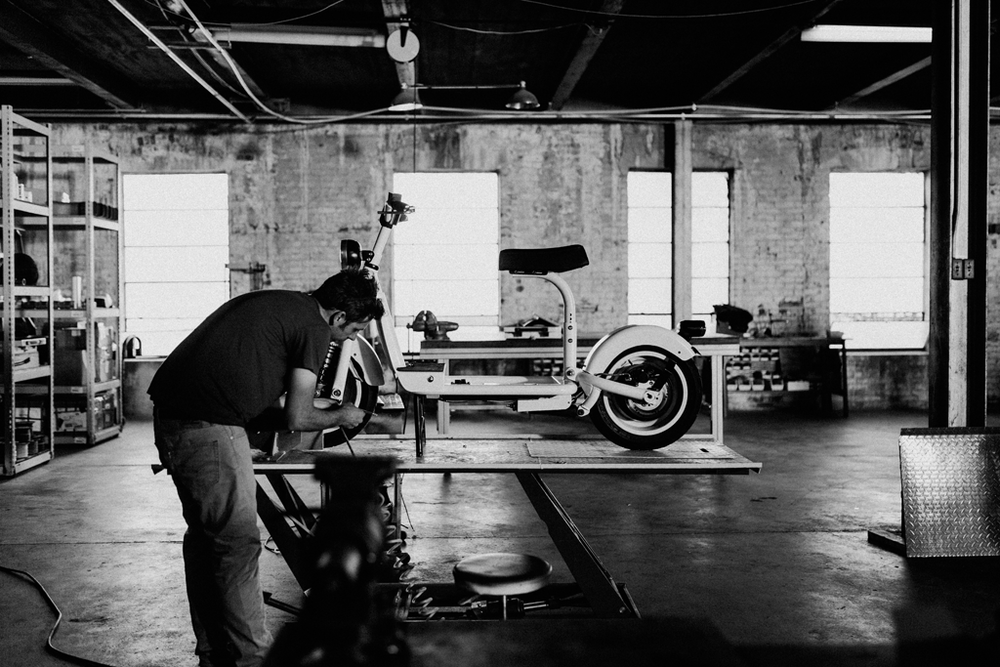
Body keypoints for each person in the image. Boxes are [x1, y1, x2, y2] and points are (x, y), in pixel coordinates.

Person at [148, 268, 385, 667]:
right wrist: (342, 414)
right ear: (339, 316)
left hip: (176, 418)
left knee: (207, 542)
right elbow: (298, 416)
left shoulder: (283, 304)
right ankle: (251, 658)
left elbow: (255, 391)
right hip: (208, 427)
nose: (349, 340)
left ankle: (215, 651)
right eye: (354, 330)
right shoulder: (315, 327)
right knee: (236, 545)